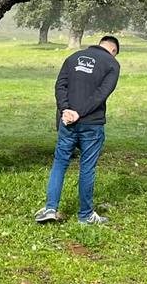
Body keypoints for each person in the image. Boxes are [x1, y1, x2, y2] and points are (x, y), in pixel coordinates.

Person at [36, 34, 121, 224]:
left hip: (67, 122)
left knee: (60, 162)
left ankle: (50, 208)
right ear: (113, 51)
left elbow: (60, 86)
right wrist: (79, 113)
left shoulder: (73, 58)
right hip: (91, 123)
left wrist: (65, 110)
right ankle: (85, 215)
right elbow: (101, 94)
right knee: (87, 167)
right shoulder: (112, 64)